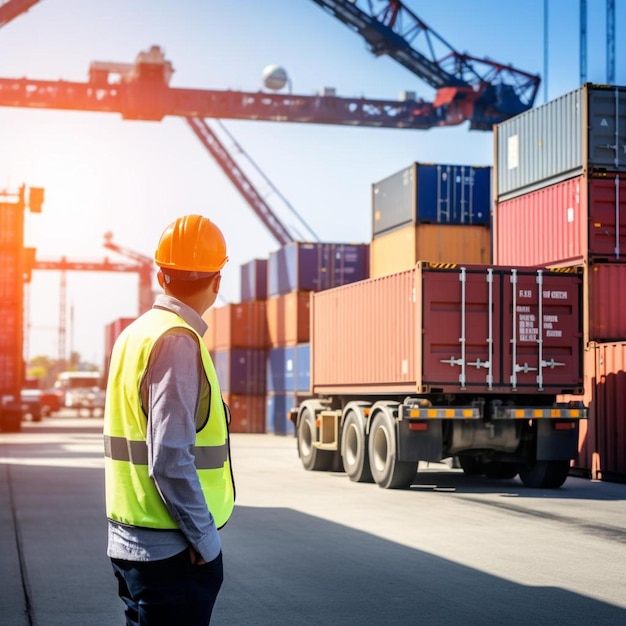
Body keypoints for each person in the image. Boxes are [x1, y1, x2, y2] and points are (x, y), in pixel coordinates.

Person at [103, 214, 235, 626]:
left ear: (161, 275)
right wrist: (205, 540)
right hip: (174, 551)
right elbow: (170, 458)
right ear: (217, 281)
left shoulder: (134, 334)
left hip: (132, 539)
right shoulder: (176, 341)